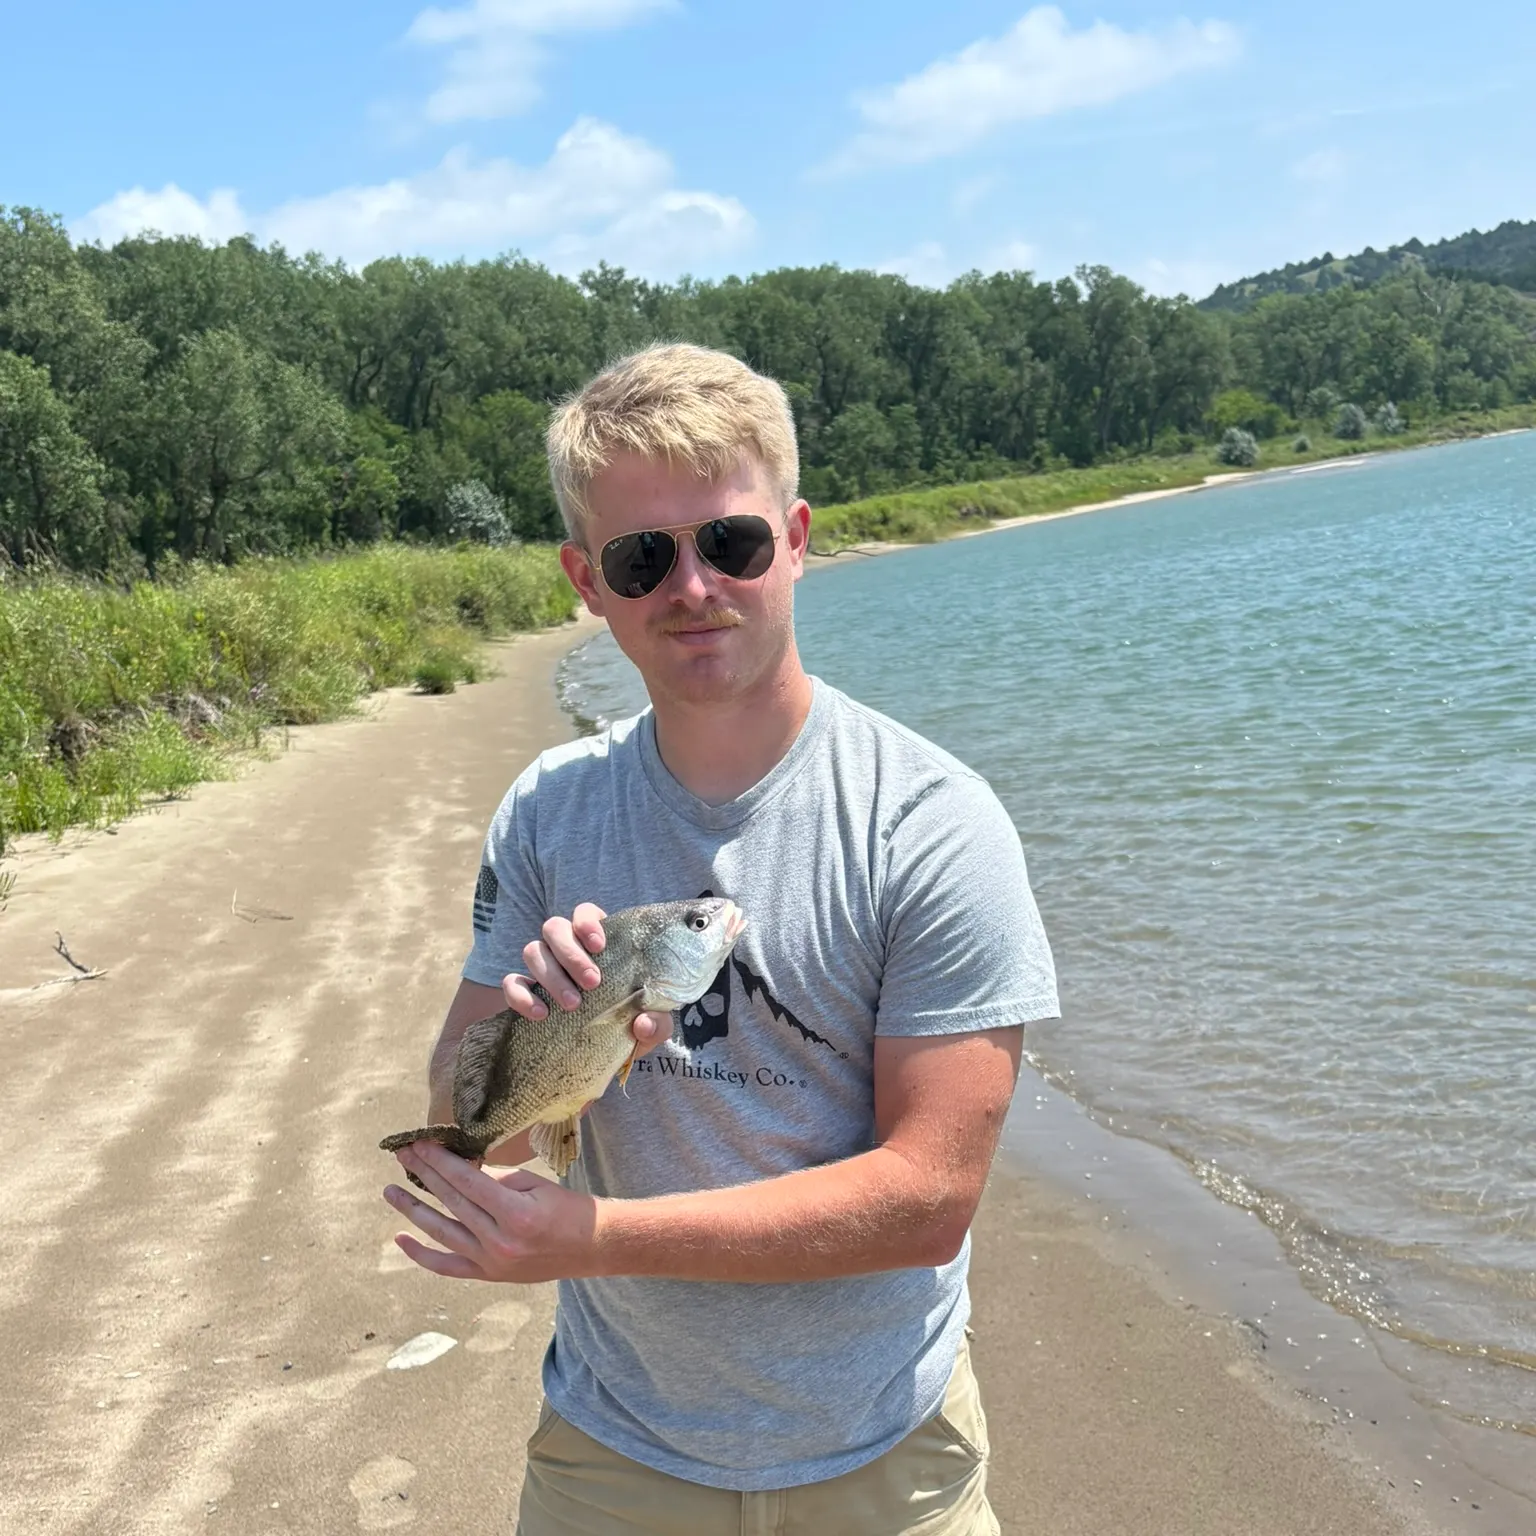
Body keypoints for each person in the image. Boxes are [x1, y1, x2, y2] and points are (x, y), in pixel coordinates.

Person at [383, 343, 1059, 1535]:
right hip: (613, 1443)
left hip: (882, 1451)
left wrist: (590, 1238)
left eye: (731, 543)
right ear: (587, 582)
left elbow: (929, 1197)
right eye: (644, 558)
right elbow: (466, 1127)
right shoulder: (549, 809)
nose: (692, 587)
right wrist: (521, 1027)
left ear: (796, 539)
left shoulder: (930, 822)